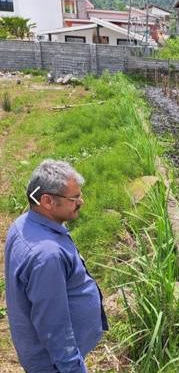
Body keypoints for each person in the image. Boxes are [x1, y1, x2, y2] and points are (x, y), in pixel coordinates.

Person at [4, 159, 108, 373]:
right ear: (47, 201)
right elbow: (54, 327)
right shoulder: (47, 256)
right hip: (55, 364)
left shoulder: (24, 224)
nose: (82, 201)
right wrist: (73, 368)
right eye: (75, 197)